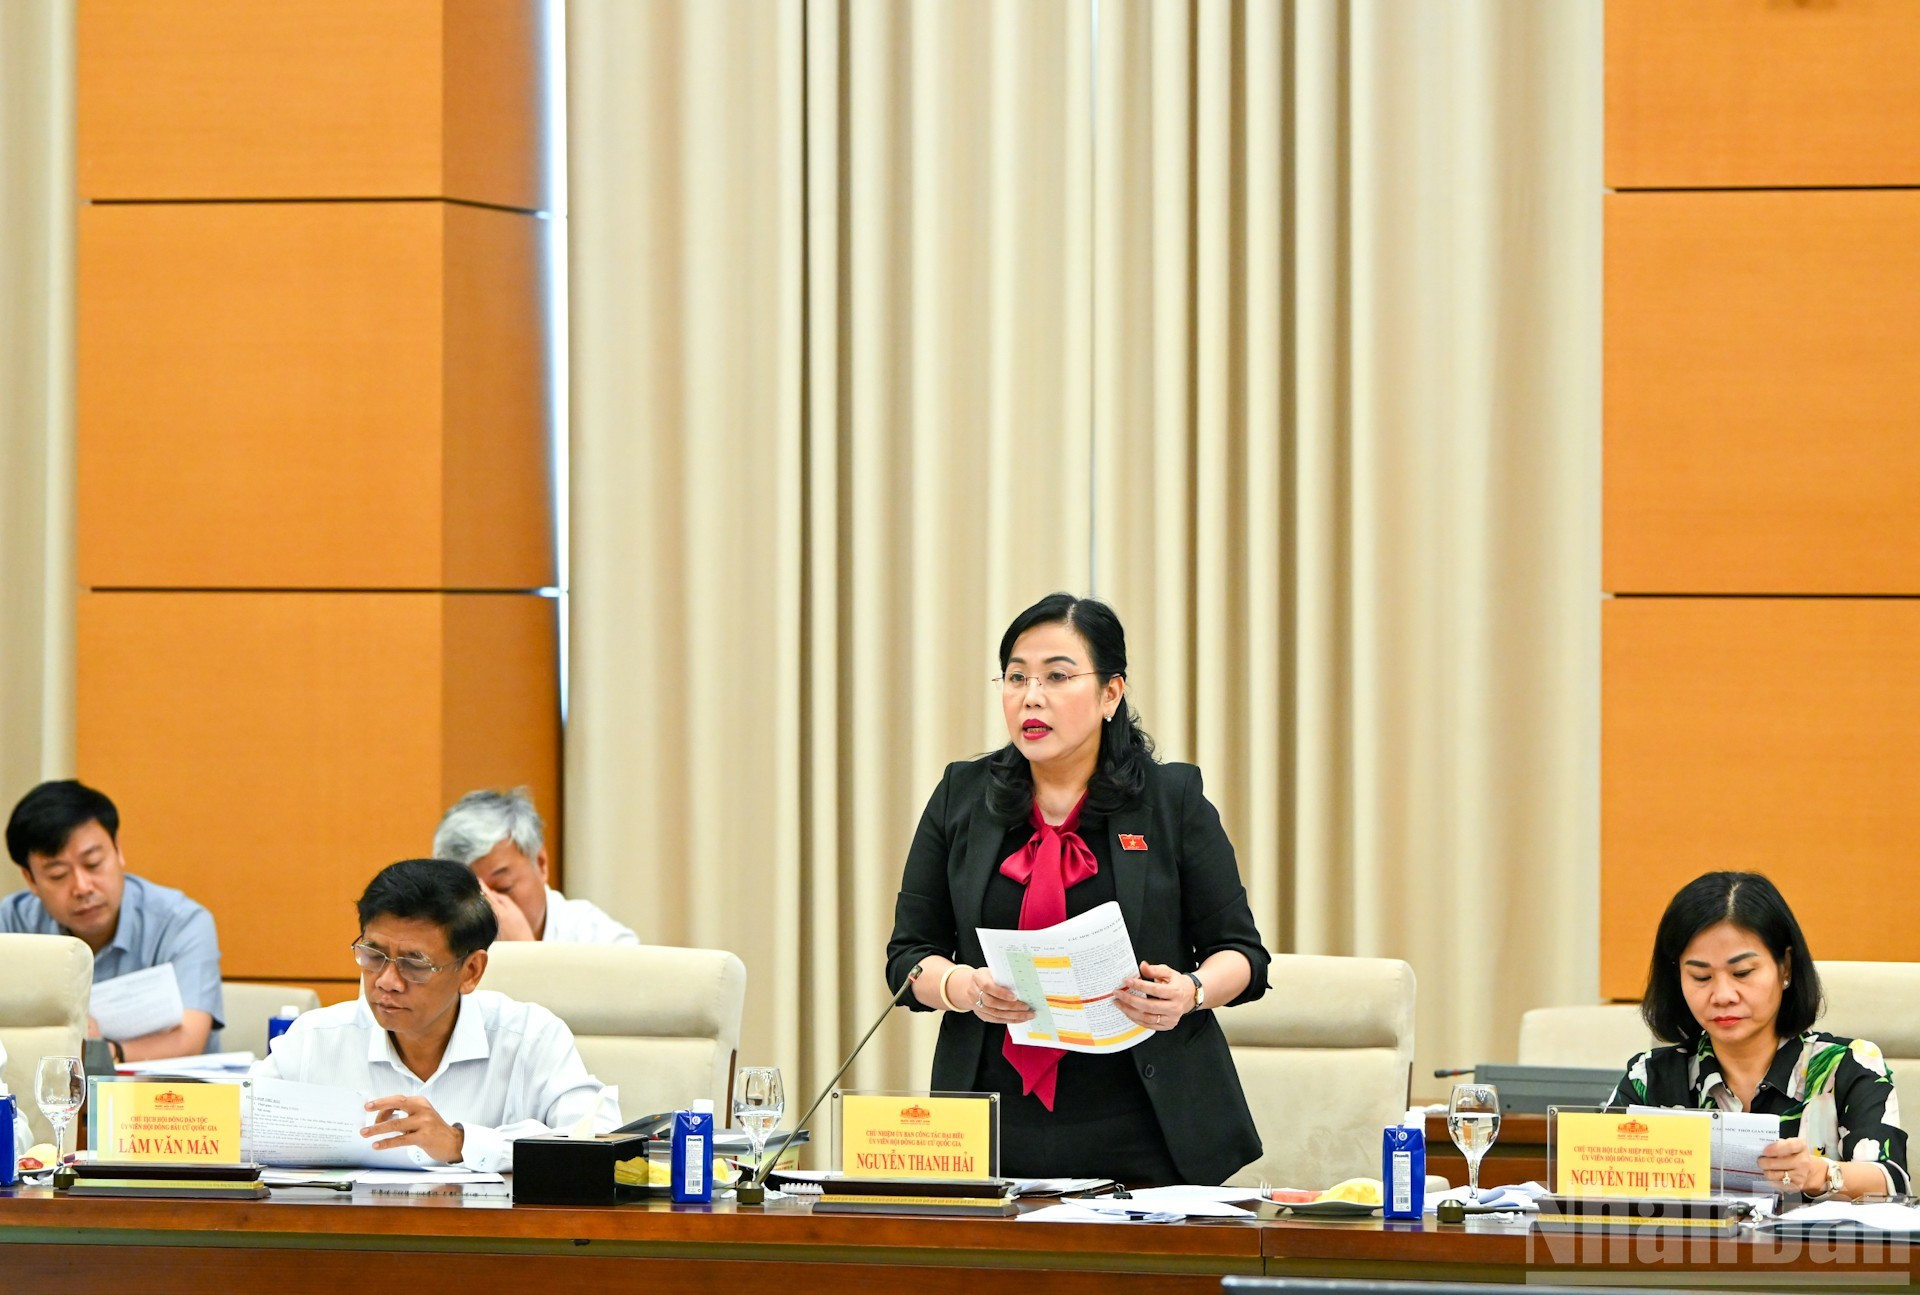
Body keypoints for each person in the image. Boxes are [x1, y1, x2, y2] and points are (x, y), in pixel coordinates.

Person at [886, 593, 1270, 1186]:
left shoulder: (1172, 802)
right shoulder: (961, 798)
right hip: (988, 1130)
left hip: (1146, 1133)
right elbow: (908, 957)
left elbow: (1243, 955)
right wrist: (963, 986)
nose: (1030, 696)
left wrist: (1190, 992)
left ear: (1111, 693)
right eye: (1016, 677)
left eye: (1057, 676)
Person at [252, 858, 617, 1172]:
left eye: (415, 964)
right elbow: (234, 1129)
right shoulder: (315, 1039)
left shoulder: (530, 1038)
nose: (387, 981)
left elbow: (599, 1141)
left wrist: (462, 1143)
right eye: (373, 955)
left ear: (471, 971)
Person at [1608, 871, 1909, 1200]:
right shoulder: (1650, 1077)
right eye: (1700, 976)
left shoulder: (1848, 1066)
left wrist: (1820, 1173)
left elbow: (1891, 1181)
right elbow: (1598, 1178)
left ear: (1785, 968)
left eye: (1742, 973)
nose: (1723, 994)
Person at [2, 780, 224, 1060]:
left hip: (163, 1096)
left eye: (93, 863)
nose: (82, 887)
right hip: (45, 1097)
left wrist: (101, 1053)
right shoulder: (11, 925)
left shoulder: (181, 922)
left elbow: (190, 1037)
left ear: (118, 851)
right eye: (58, 875)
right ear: (31, 879)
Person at [432, 787, 639, 946]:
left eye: (503, 888)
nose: (490, 907)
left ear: (541, 864)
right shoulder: (443, 939)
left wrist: (525, 952)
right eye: (473, 895)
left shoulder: (596, 937)